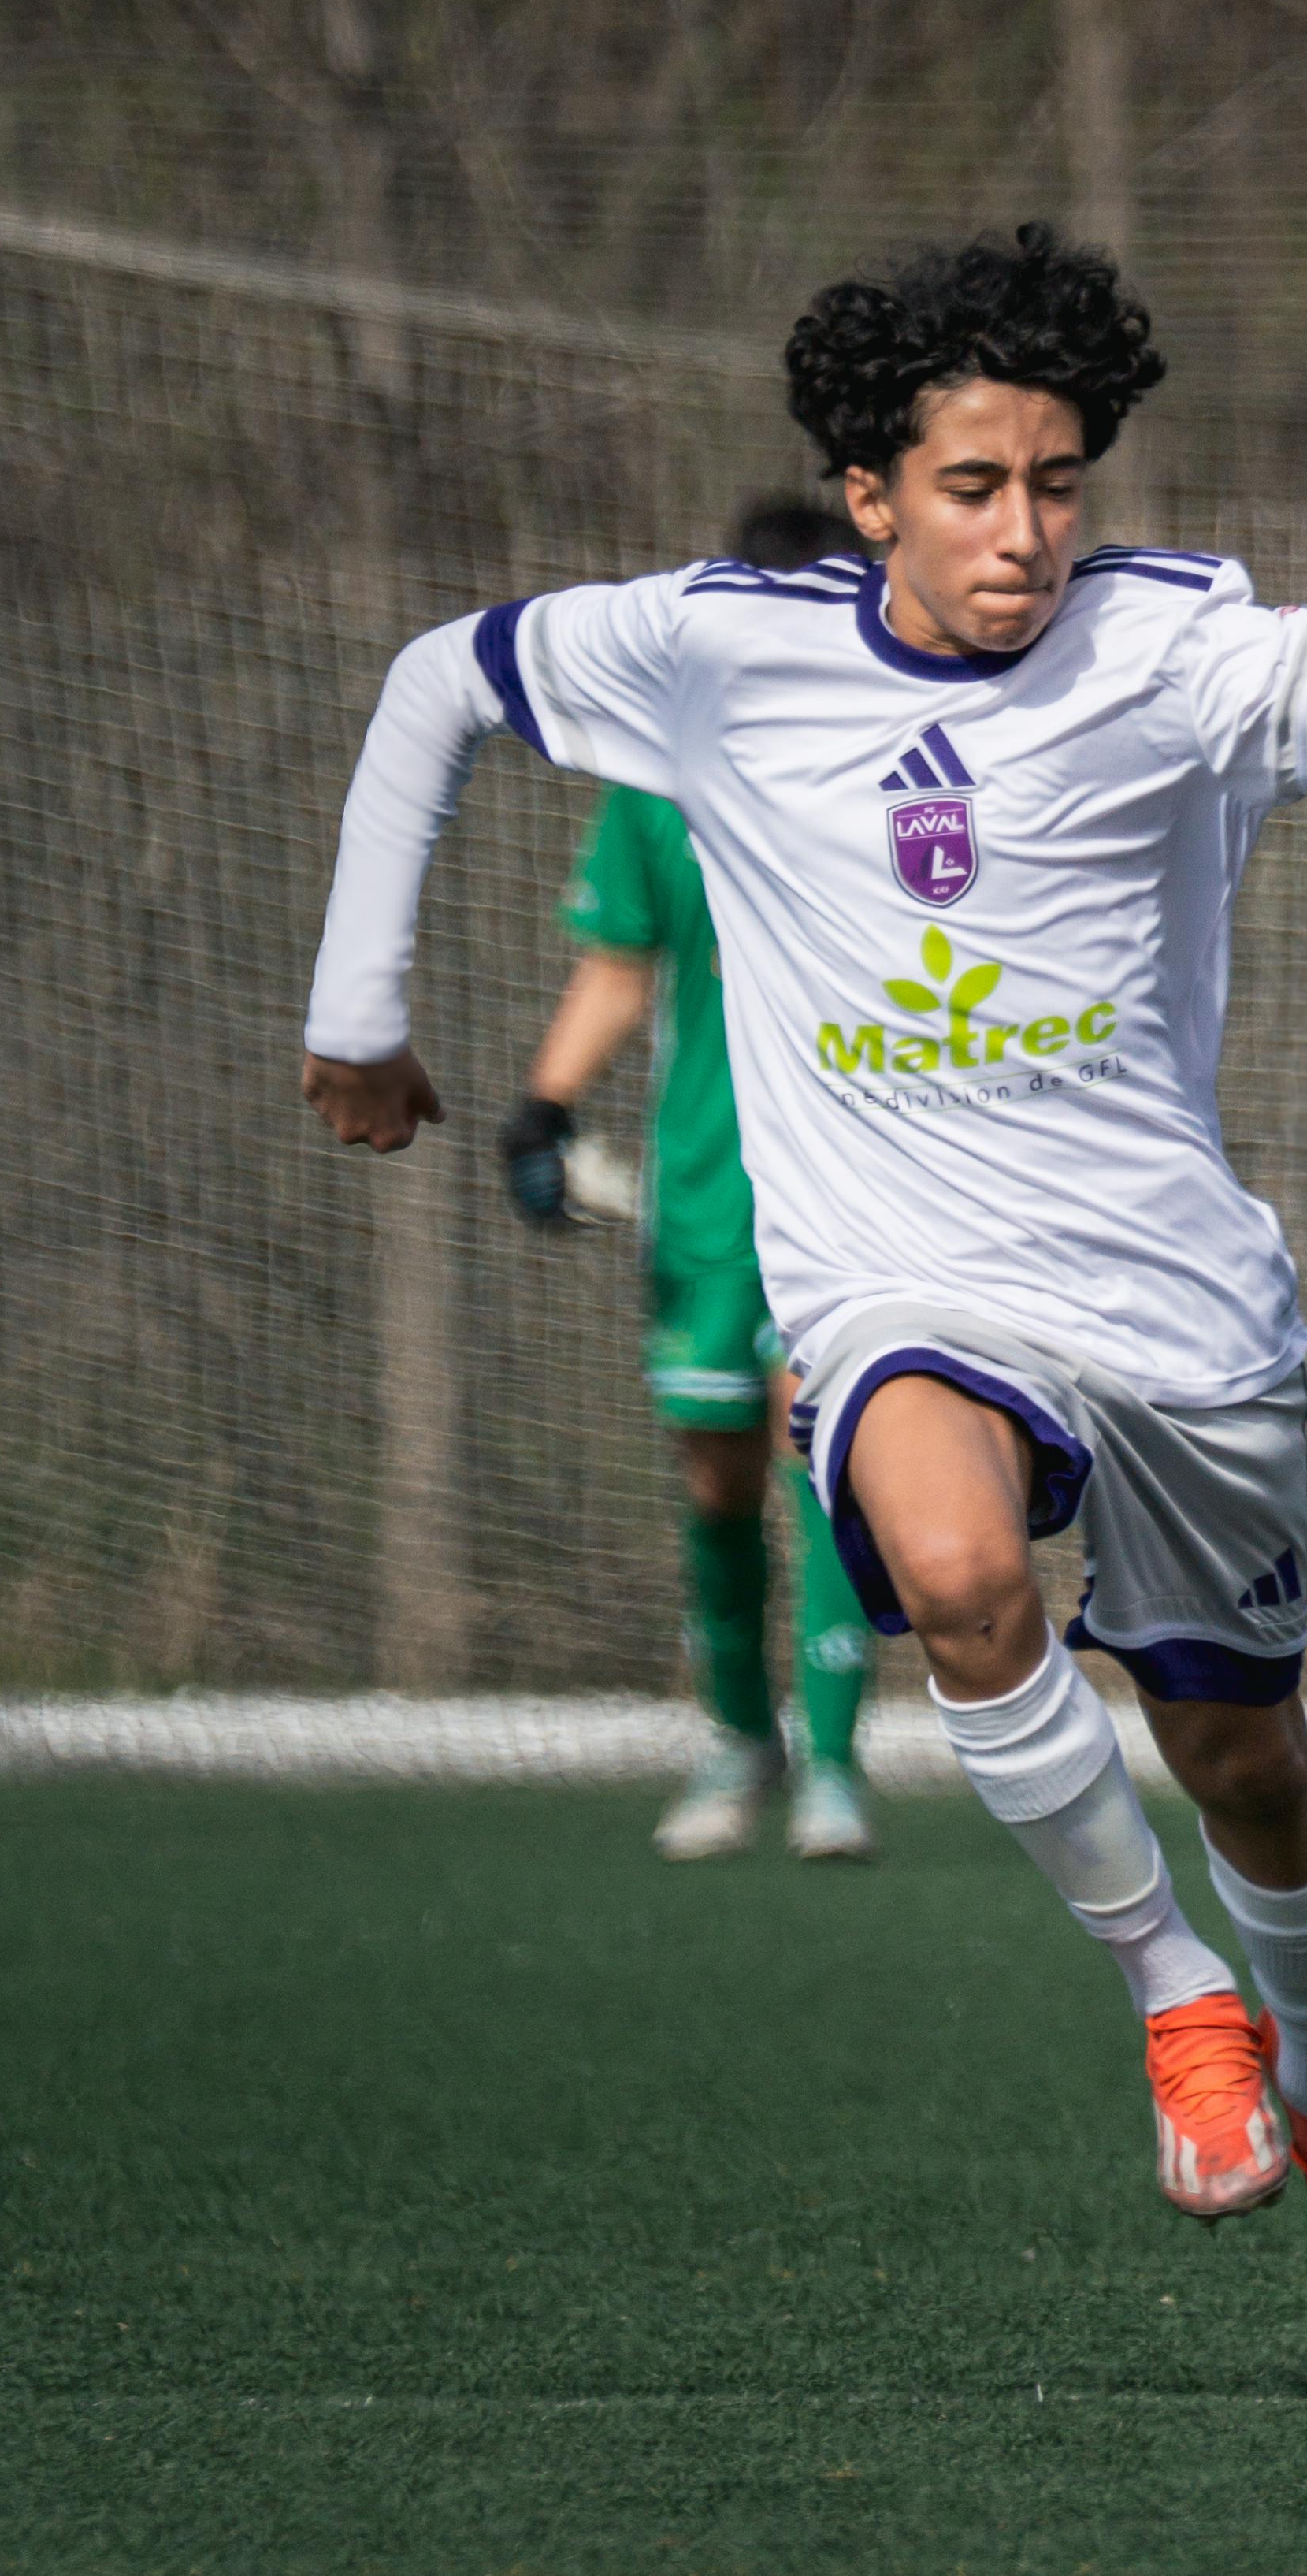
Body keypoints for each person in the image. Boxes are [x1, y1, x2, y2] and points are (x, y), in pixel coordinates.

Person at [302, 226, 1307, 2353]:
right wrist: (361, 1011)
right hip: (896, 1283)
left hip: (1176, 1313)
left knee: (1240, 1748)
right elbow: (438, 677)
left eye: (1059, 480)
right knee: (958, 1577)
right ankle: (1175, 2001)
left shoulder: (1171, 645)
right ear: (873, 492)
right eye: (974, 486)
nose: (1026, 529)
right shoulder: (718, 650)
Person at [502, 497, 886, 1867]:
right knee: (716, 1470)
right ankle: (740, 1737)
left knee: (826, 1454)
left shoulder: (904, 769)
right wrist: (542, 1108)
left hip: (858, 1190)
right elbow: (621, 967)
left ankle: (838, 1762)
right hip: (709, 1193)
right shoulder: (658, 778)